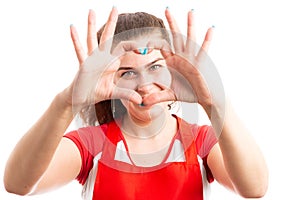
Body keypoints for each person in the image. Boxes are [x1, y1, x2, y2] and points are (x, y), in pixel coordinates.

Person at [4, 7, 268, 199]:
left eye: (155, 67)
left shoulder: (201, 142)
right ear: (110, 80)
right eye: (128, 72)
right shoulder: (92, 144)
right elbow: (17, 184)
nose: (143, 84)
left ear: (174, 70)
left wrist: (214, 104)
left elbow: (255, 188)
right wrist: (65, 102)